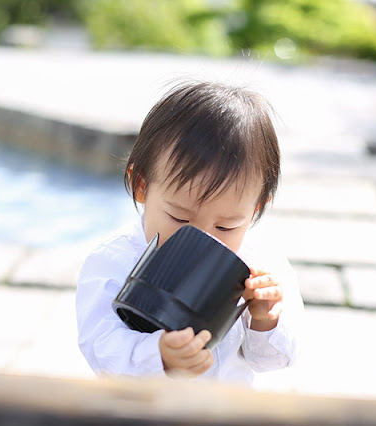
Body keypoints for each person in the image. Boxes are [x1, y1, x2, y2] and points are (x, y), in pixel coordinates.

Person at [76, 80, 303, 384]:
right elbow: (99, 344)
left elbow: (275, 361)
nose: (203, 238)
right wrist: (156, 354)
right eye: (179, 218)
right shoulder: (115, 259)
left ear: (256, 208)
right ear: (142, 186)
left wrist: (266, 320)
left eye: (225, 226)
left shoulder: (260, 267)